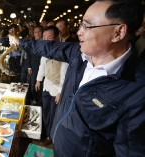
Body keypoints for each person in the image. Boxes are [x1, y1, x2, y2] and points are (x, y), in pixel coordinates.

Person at [17, 0, 145, 156]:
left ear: (118, 32)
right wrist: (21, 42)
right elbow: (48, 47)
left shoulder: (137, 91)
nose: (79, 32)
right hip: (60, 147)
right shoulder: (78, 54)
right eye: (80, 25)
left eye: (87, 26)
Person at [34, 26, 68, 145]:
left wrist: (60, 91)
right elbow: (42, 66)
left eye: (49, 38)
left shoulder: (63, 52)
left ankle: (50, 136)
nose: (46, 41)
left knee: (54, 114)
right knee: (45, 111)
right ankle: (44, 132)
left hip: (56, 89)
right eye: (44, 38)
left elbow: (64, 74)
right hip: (46, 86)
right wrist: (38, 80)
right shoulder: (45, 50)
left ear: (57, 38)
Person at [26, 25, 43, 105]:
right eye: (36, 32)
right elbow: (28, 54)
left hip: (44, 67)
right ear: (33, 33)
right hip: (34, 66)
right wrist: (29, 66)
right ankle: (35, 99)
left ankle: (40, 100)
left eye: (39, 32)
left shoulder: (45, 42)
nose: (38, 33)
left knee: (42, 85)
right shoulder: (32, 43)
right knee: (33, 85)